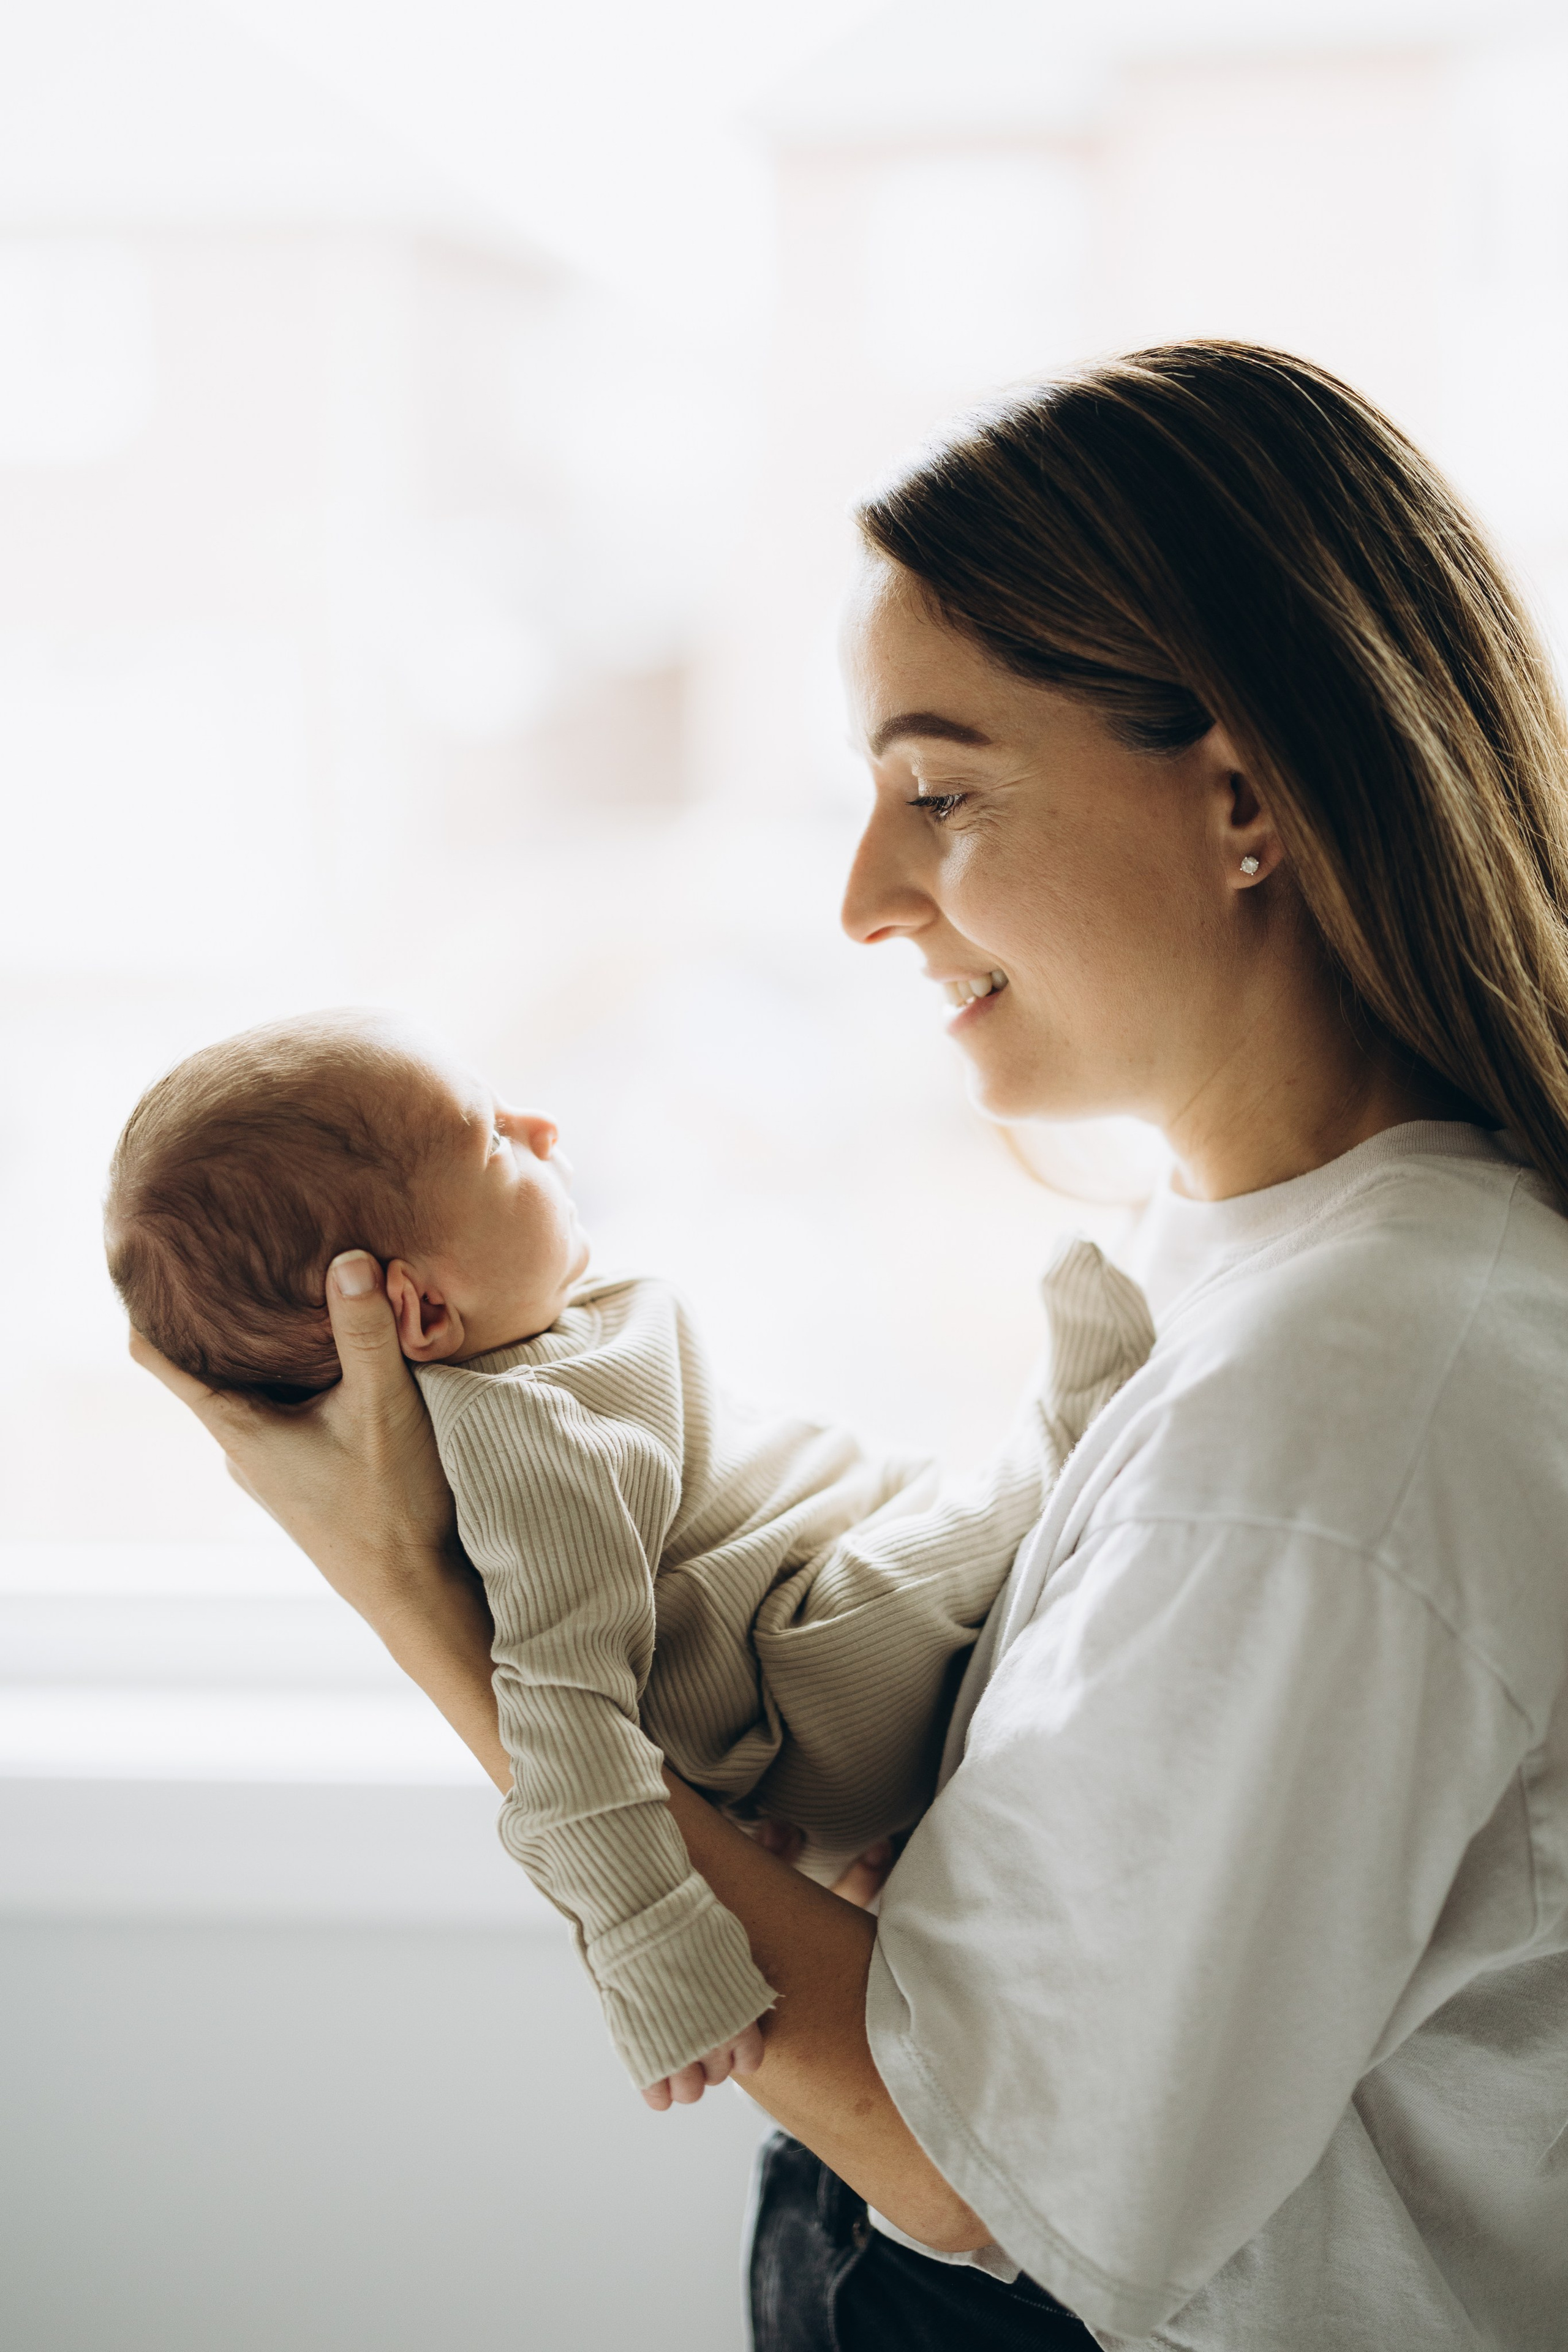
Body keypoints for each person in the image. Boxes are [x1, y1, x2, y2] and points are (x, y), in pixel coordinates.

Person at [130, 342, 1568, 2351]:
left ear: (1245, 796)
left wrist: (425, 1616)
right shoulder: (1262, 1266)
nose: (863, 894)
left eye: (939, 790)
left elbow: (978, 2167)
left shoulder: (1347, 1413)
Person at [105, 1009, 1152, 2100]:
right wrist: (650, 1943)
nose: (543, 1126)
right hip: (811, 1677)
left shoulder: (540, 1346)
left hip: (804, 1625)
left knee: (889, 1525)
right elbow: (558, 1711)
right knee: (908, 1567)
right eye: (492, 1142)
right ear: (416, 1307)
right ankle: (1063, 1442)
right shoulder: (523, 1434)